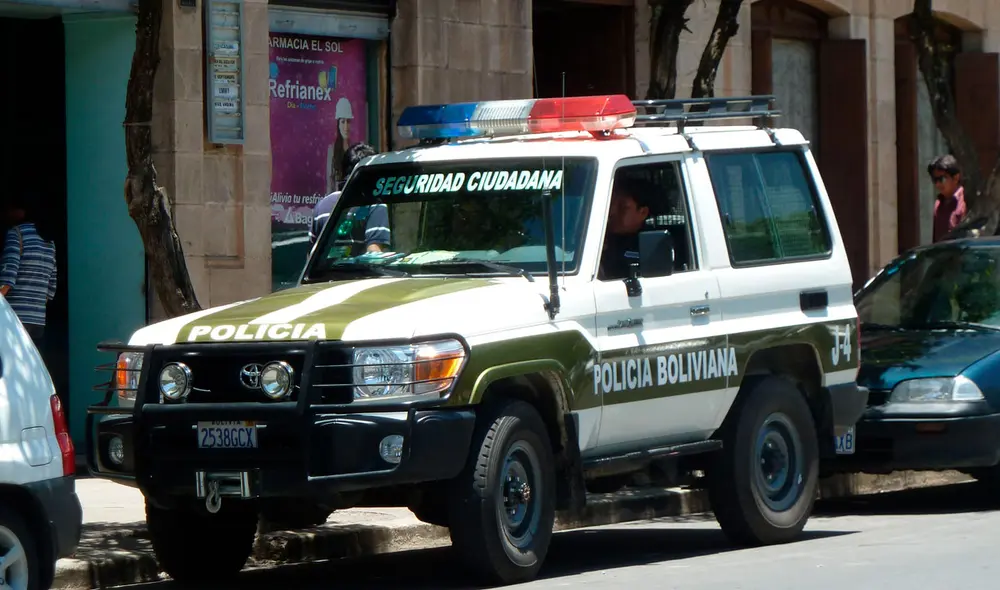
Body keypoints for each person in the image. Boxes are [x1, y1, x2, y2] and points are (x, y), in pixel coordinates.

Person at [310, 142, 390, 255]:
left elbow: (312, 255)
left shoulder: (322, 206)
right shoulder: (374, 205)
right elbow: (374, 252)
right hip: (359, 273)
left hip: (326, 273)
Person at [0, 195, 57, 349]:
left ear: (22, 212)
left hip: (15, 320)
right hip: (38, 322)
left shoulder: (17, 234)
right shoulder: (49, 242)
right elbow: (50, 290)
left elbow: (7, 280)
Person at [598, 175, 652, 281]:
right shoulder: (594, 240)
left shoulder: (651, 246)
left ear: (643, 212)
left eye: (623, 207)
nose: (611, 212)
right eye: (610, 204)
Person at [929, 154, 966, 243]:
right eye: (935, 180)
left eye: (941, 179)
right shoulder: (938, 204)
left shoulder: (966, 200)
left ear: (956, 178)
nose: (938, 184)